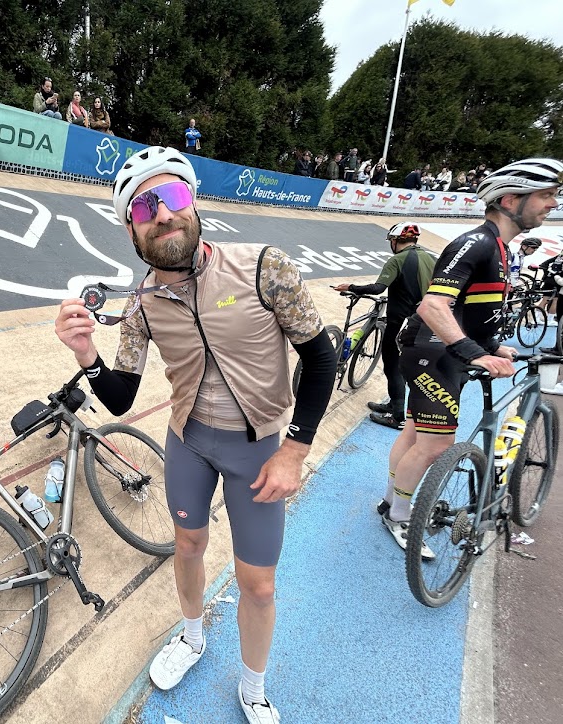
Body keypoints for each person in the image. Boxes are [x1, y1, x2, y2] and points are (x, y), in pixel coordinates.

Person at [54, 146, 337, 724]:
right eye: (144, 208)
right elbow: (121, 396)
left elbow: (320, 356)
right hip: (188, 443)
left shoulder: (264, 267)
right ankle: (190, 635)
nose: (162, 214)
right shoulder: (141, 303)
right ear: (132, 231)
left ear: (194, 202)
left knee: (258, 585)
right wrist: (86, 354)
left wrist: (294, 449)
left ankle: (253, 686)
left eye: (173, 196)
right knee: (187, 546)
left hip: (259, 449)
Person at [381, 158, 562, 556]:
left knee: (414, 433)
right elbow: (433, 305)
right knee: (435, 445)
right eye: (546, 195)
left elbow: (471, 308)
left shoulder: (498, 247)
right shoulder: (476, 242)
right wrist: (473, 353)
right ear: (510, 200)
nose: (553, 203)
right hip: (432, 349)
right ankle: (399, 516)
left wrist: (492, 346)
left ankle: (392, 502)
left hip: (437, 349)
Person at [334, 222, 435, 430]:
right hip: (424, 321)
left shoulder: (397, 260)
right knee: (402, 365)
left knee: (392, 365)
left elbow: (378, 288)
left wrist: (351, 287)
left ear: (395, 241)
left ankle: (397, 417)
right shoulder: (430, 258)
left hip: (400, 323)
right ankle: (394, 404)